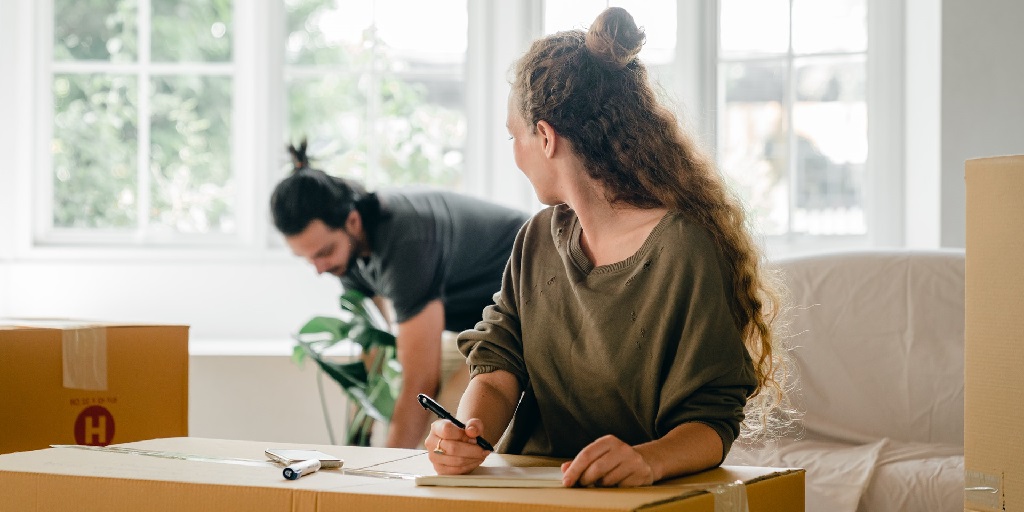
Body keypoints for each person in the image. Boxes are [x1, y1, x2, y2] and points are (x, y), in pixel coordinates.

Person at [425, 7, 789, 488]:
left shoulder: (683, 248)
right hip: (534, 496)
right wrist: (468, 433)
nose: (514, 153)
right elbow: (496, 366)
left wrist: (648, 460)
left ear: (546, 137)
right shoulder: (536, 238)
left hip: (636, 497)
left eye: (514, 136)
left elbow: (711, 422)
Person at [271, 141, 531, 449]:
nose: (319, 268)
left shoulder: (405, 241)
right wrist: (358, 443)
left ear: (352, 222)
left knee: (450, 429)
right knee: (423, 427)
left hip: (528, 305)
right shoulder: (347, 255)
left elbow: (420, 381)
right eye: (309, 259)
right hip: (476, 321)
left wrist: (382, 475)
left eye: (324, 253)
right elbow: (377, 343)